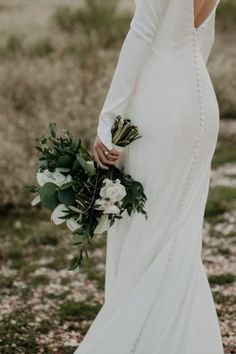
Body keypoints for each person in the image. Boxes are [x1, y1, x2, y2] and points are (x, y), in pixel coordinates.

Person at [74, 0, 225, 353]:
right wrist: (190, 92)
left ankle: (139, 337)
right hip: (199, 101)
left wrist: (109, 121)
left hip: (161, 105)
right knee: (180, 235)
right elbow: (204, 35)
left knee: (147, 231)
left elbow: (140, 35)